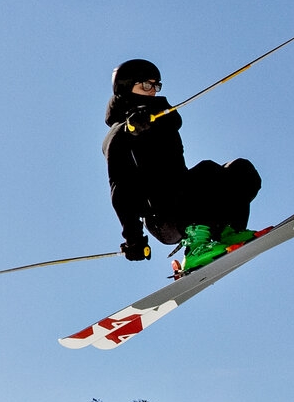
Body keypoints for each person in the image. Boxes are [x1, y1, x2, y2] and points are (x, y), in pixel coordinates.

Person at [104, 58, 262, 273]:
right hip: (163, 217)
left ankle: (226, 233)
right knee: (207, 171)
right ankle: (196, 247)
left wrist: (152, 119)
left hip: (187, 199)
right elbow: (121, 189)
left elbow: (170, 120)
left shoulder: (161, 119)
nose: (153, 91)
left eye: (156, 85)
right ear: (126, 87)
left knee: (241, 171)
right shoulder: (119, 135)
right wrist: (134, 239)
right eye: (146, 85)